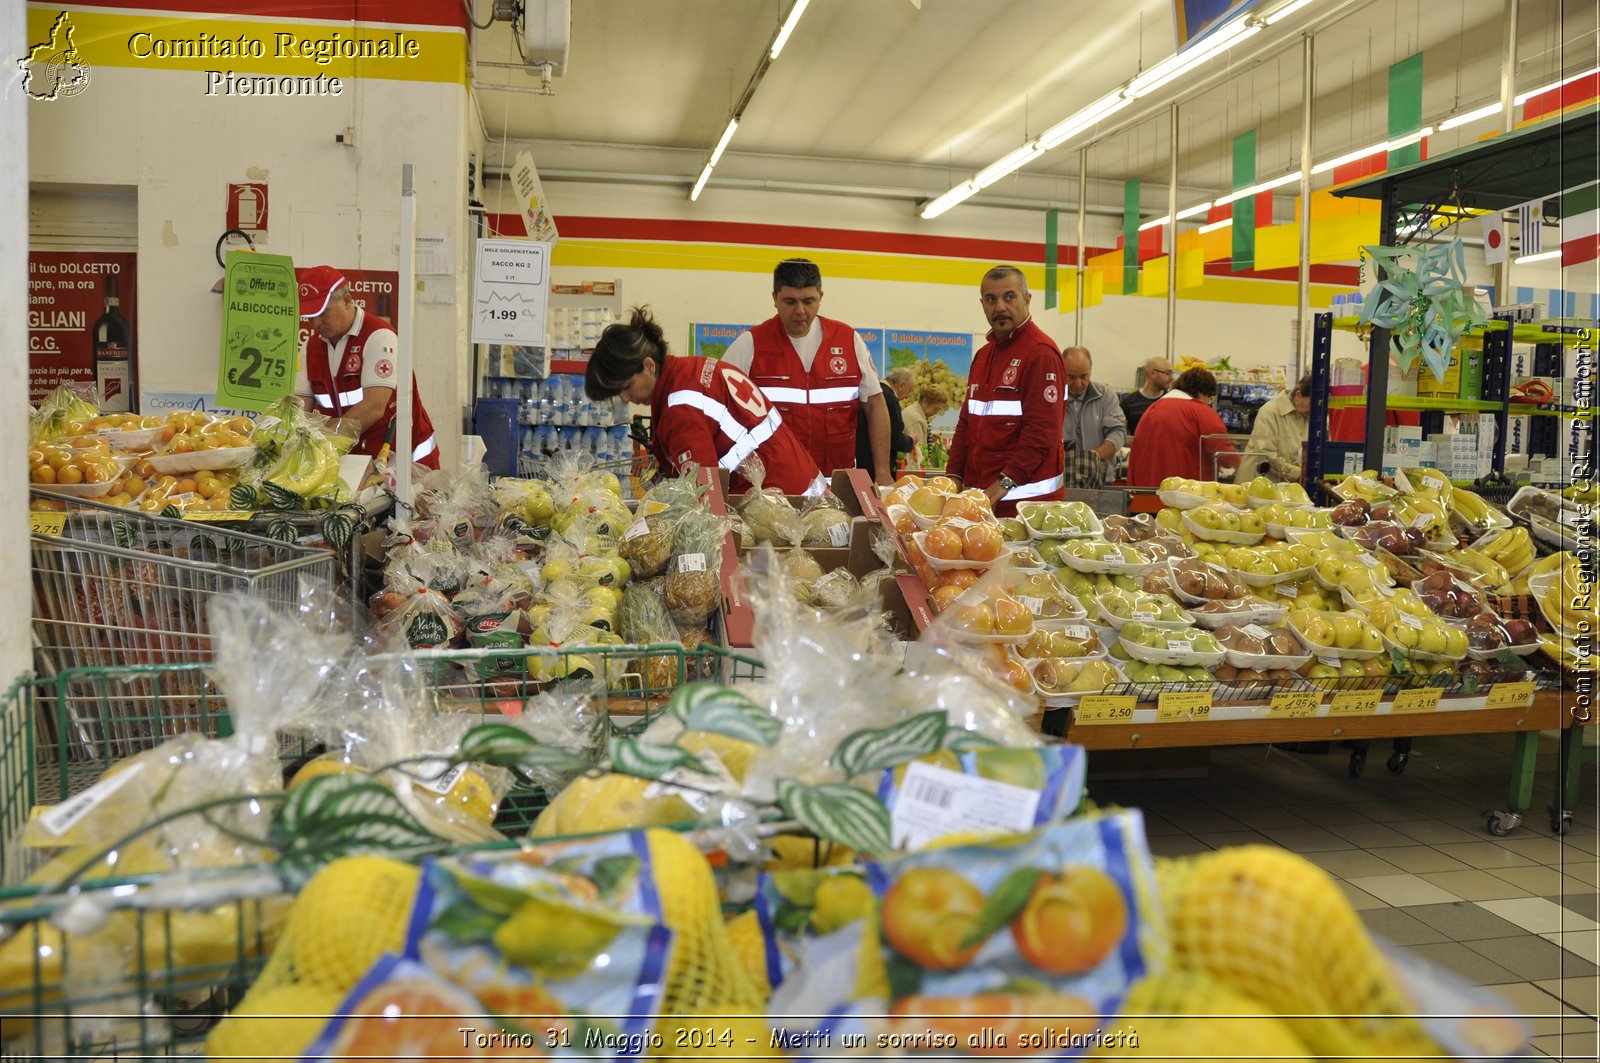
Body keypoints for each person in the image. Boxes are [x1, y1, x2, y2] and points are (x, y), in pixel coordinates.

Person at [585, 307, 826, 496]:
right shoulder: (691, 371)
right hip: (801, 487)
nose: (626, 398)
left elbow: (703, 493)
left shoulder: (680, 408)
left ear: (649, 366)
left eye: (626, 388)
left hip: (782, 503)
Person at [721, 259, 892, 484]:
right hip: (775, 489)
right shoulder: (749, 346)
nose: (800, 311)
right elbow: (719, 412)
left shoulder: (849, 340)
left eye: (809, 301)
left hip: (837, 485)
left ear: (820, 297)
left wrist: (882, 472)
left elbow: (875, 404)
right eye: (789, 301)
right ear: (774, 298)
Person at [946, 266, 1066, 516]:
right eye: (991, 299)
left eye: (1009, 297)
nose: (999, 306)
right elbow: (966, 424)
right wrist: (952, 478)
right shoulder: (983, 356)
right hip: (984, 500)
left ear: (1027, 299)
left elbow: (1042, 431)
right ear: (982, 304)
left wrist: (1004, 483)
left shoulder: (1040, 353)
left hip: (1028, 506)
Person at [294, 265, 439, 468]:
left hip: (405, 464)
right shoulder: (310, 348)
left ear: (347, 301)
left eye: (323, 313)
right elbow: (301, 408)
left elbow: (374, 407)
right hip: (353, 462)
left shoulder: (379, 337)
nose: (316, 323)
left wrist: (325, 448)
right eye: (310, 316)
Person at [1127, 367, 1236, 487]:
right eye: (1209, 398)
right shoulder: (1201, 411)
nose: (1209, 402)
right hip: (1185, 491)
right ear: (1201, 393)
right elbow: (1224, 453)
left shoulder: (1152, 409)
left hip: (1146, 488)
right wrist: (1243, 462)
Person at [1060, 346, 1127, 489]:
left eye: (1084, 376)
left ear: (1091, 371)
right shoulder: (1050, 397)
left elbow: (1118, 432)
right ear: (1061, 370)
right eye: (1071, 377)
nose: (1078, 384)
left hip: (1101, 482)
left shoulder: (1106, 396)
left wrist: (1095, 456)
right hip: (1058, 481)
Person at [1241, 373, 1313, 483]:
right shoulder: (1270, 412)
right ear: (1298, 395)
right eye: (1311, 403)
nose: (1315, 410)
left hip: (1285, 488)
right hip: (1258, 485)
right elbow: (1267, 455)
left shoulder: (1308, 416)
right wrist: (1300, 473)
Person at [857, 367, 914, 474]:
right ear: (901, 385)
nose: (907, 397)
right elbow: (894, 437)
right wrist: (910, 442)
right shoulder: (889, 399)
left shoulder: (874, 393)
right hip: (874, 465)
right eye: (909, 391)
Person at [1120, 356, 1173, 435]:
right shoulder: (1129, 402)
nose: (1171, 378)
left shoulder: (1171, 401)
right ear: (1153, 373)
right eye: (1167, 373)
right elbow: (1118, 432)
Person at [900, 378, 948, 460]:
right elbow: (917, 453)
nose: (936, 413)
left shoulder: (916, 414)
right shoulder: (915, 419)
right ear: (925, 401)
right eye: (935, 408)